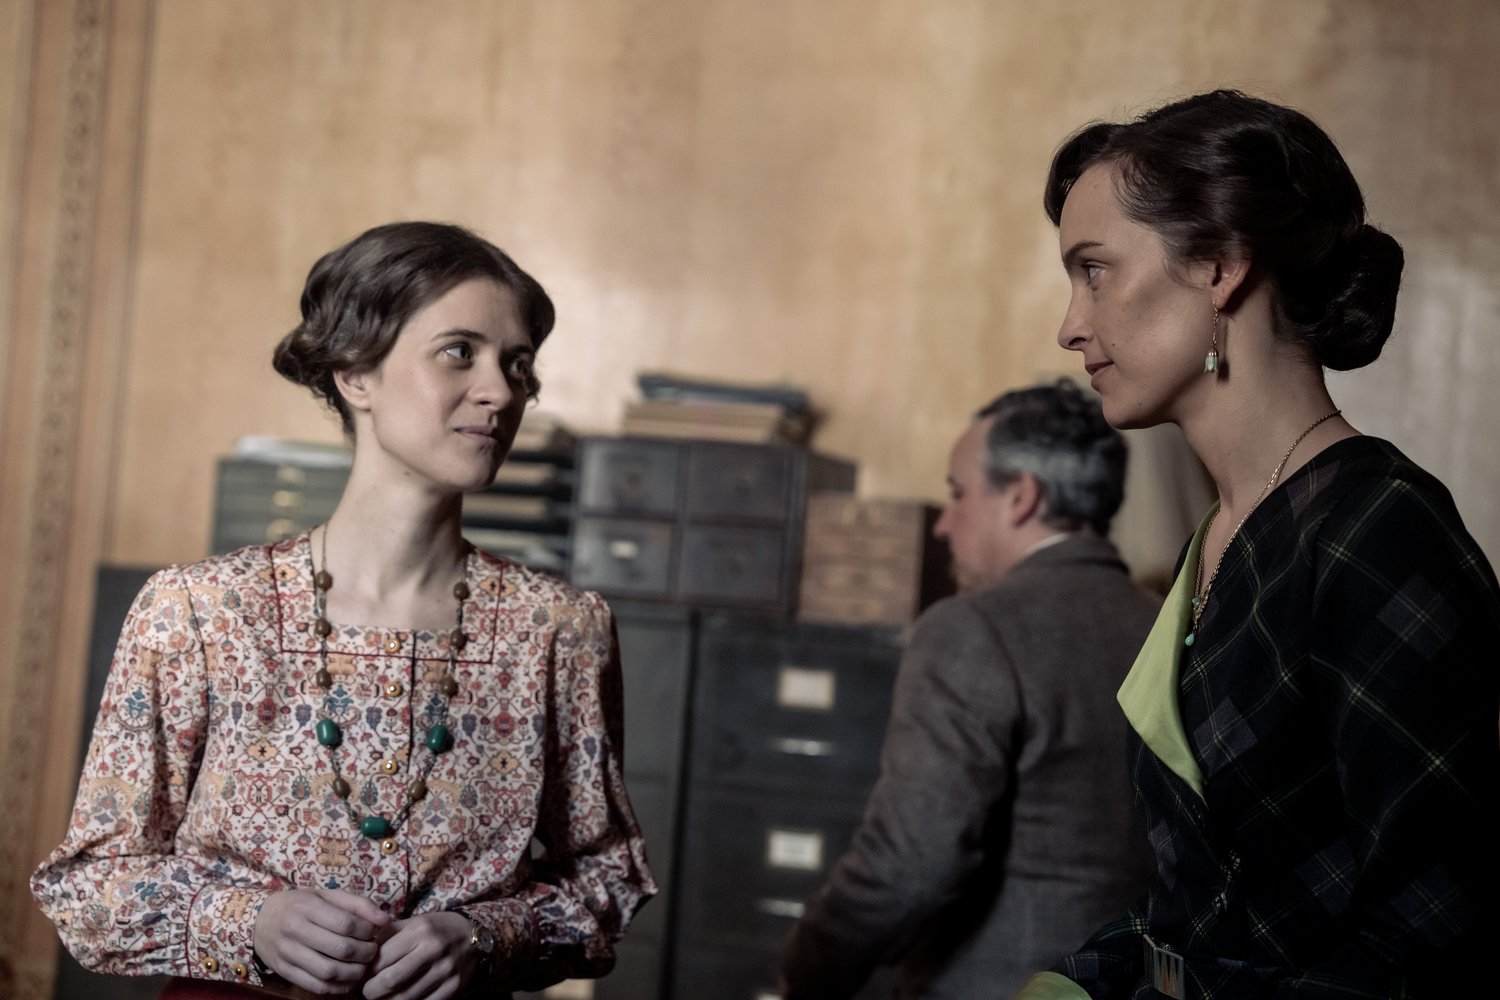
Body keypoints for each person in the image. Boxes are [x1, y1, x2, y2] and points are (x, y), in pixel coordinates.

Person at [32, 222, 656, 999]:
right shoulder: (198, 613)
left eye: (517, 364)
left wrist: (484, 936)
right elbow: (90, 886)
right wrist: (249, 924)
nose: (500, 391)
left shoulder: (559, 631)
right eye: (458, 352)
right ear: (356, 373)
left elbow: (607, 880)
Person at [1015, 90, 1500, 999]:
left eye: (1096, 271)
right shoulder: (1221, 534)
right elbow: (1205, 906)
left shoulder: (1380, 531)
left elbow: (1436, 932)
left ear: (1220, 267)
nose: (1070, 325)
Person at [779, 379, 1159, 1000]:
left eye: (958, 494)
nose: (942, 525)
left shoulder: (972, 629)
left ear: (1021, 497)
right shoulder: (1164, 624)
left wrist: (808, 967)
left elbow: (910, 859)